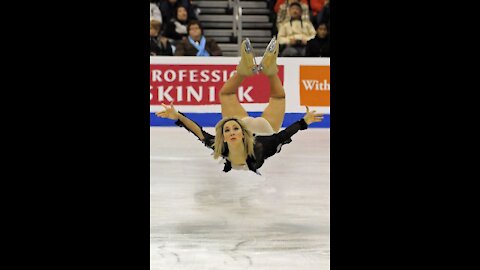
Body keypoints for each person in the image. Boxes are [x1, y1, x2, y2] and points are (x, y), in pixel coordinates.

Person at [155, 37, 323, 174]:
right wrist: (304, 122)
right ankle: (267, 71)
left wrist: (177, 116)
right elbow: (283, 135)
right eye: (230, 130)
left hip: (249, 125)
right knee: (277, 97)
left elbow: (196, 130)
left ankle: (247, 70)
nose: (232, 132)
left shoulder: (221, 147)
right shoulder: (261, 146)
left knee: (232, 95)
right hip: (266, 130)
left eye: (230, 129)